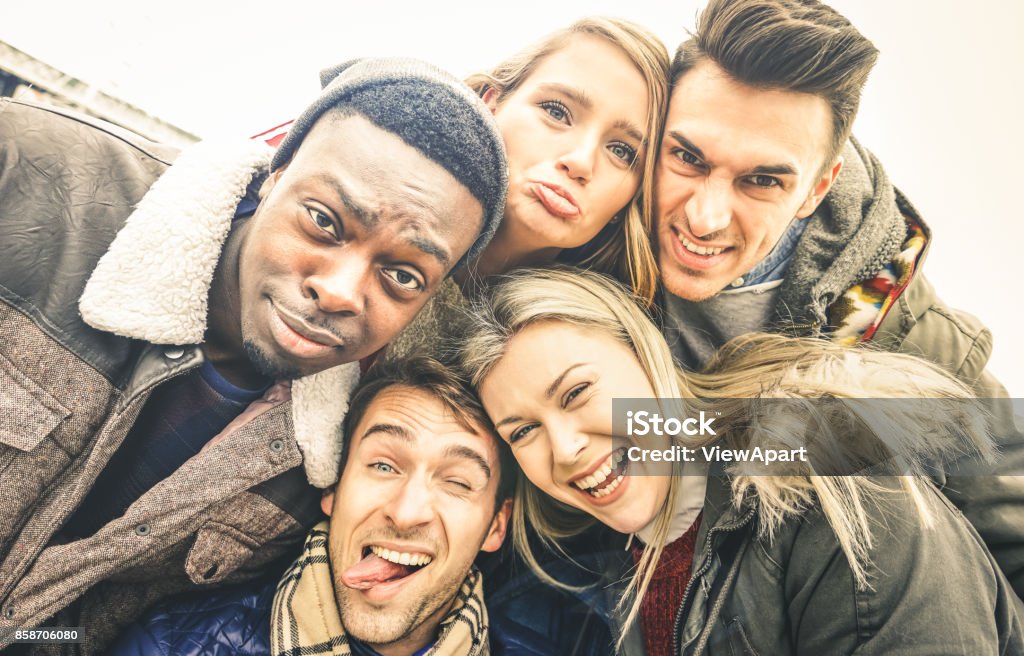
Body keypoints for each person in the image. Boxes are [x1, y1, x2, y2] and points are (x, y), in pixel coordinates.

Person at [0, 57, 507, 652]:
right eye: (323, 221)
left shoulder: (321, 466)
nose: (341, 289)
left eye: (401, 275)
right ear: (276, 171)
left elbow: (80, 619)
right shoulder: (30, 176)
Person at [652, 0, 1024, 594]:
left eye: (763, 180)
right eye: (687, 158)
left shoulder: (915, 346)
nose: (704, 217)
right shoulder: (580, 261)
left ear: (817, 188)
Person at [460, 267, 1023, 654]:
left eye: (577, 393)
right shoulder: (617, 571)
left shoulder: (840, 494)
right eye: (524, 430)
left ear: (646, 354)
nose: (564, 449)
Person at [108, 355, 513, 655]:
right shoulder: (168, 644)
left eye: (458, 482)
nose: (406, 513)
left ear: (496, 525)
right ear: (333, 489)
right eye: (384, 465)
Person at [387, 17, 668, 360]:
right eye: (557, 112)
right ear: (490, 103)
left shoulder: (603, 350)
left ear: (629, 202)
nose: (580, 162)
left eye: (621, 151)